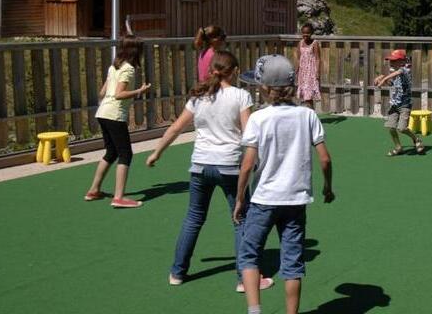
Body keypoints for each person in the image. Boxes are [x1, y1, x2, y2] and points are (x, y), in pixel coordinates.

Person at [145, 50, 273, 292]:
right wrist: (259, 160)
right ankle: (243, 279)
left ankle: (177, 272)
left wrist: (156, 152)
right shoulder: (241, 96)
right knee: (240, 219)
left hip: (200, 166)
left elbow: (175, 128)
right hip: (229, 166)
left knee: (193, 219)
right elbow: (249, 134)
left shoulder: (199, 97)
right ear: (234, 72)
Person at [233, 55, 335, 314]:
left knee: (248, 255)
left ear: (265, 88)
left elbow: (247, 165)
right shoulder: (307, 115)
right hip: (296, 200)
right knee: (292, 262)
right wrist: (327, 187)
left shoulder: (258, 118)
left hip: (264, 199)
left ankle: (255, 311)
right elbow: (324, 158)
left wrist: (240, 198)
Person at [85, 36, 151, 208]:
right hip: (114, 115)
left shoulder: (113, 67)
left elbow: (102, 92)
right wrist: (139, 90)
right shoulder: (128, 69)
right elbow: (119, 94)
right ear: (136, 52)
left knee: (111, 152)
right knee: (125, 154)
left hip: (103, 112)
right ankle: (119, 197)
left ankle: (93, 190)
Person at [374, 49, 425, 156]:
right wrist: (382, 79)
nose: (391, 62)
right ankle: (398, 147)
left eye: (394, 60)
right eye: (390, 60)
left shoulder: (405, 70)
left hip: (405, 105)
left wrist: (383, 78)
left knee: (402, 128)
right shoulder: (395, 74)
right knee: (391, 127)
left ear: (401, 61)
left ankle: (417, 140)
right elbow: (391, 84)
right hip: (395, 105)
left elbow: (398, 72)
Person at [294, 23, 321, 109]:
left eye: (308, 33)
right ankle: (308, 113)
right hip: (303, 72)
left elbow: (317, 58)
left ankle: (311, 113)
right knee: (304, 95)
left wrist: (317, 71)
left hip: (311, 72)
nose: (305, 35)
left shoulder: (315, 43)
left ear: (311, 33)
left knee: (309, 96)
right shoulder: (300, 43)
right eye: (304, 33)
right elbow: (298, 58)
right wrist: (297, 70)